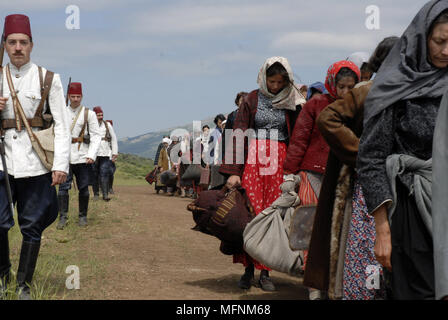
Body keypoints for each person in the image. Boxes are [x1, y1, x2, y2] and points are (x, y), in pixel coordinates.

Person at [356, 0, 448, 300]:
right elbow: (370, 159)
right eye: (440, 41)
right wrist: (383, 231)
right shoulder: (395, 87)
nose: (446, 51)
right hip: (412, 212)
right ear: (423, 37)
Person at [304, 36, 398, 300]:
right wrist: (364, 155)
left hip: (406, 189)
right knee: (369, 253)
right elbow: (327, 120)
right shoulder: (367, 92)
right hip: (367, 188)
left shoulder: (417, 93)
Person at [0, 14, 70, 299]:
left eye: (23, 43)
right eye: (12, 42)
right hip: (2, 164)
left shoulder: (49, 78)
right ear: (4, 45)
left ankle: (24, 286)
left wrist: (61, 165)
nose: (18, 47)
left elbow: (63, 126)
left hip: (36, 163)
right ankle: (3, 281)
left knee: (32, 224)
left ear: (32, 45)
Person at [220, 56, 304, 291]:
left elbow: (298, 136)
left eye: (279, 82)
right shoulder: (252, 99)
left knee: (273, 212)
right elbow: (238, 133)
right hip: (254, 162)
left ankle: (266, 271)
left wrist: (295, 170)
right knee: (251, 212)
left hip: (280, 162)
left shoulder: (292, 100)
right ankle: (248, 270)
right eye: (271, 81)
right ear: (263, 78)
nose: (275, 86)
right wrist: (234, 172)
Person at [284, 60, 360, 300]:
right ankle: (314, 284)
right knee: (311, 227)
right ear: (331, 83)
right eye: (341, 86)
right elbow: (299, 139)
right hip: (312, 175)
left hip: (344, 177)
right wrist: (291, 173)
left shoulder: (359, 107)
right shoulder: (316, 105)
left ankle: (334, 283)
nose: (345, 92)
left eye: (351, 87)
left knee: (339, 230)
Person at [56, 81, 101, 229]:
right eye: (73, 96)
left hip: (83, 156)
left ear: (82, 96)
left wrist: (92, 155)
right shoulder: (61, 111)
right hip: (65, 156)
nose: (75, 99)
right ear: (68, 96)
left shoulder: (89, 114)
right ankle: (62, 217)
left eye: (78, 96)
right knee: (63, 188)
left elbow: (96, 136)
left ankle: (83, 216)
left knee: (83, 188)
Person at [91, 107, 118, 201]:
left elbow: (114, 138)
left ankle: (105, 195)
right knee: (94, 174)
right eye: (98, 115)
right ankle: (96, 194)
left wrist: (114, 152)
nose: (100, 117)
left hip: (105, 152)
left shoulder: (107, 125)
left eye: (101, 115)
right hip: (93, 153)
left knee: (104, 173)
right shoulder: (90, 124)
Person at [105, 120, 116, 194]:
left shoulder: (112, 135)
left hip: (110, 157)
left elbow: (114, 146)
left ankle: (110, 187)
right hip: (103, 156)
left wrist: (114, 156)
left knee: (111, 173)